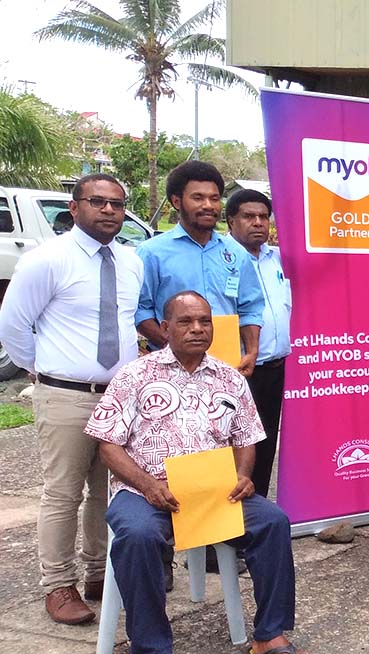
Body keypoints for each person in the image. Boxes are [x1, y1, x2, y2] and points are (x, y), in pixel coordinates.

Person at [85, 291, 306, 654]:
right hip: (145, 491)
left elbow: (246, 436)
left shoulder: (230, 378)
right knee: (138, 536)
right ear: (166, 328)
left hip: (213, 493)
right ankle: (151, 646)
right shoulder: (135, 375)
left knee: (272, 522)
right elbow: (107, 443)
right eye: (186, 322)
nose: (197, 329)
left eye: (205, 321)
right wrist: (148, 484)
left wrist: (243, 475)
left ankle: (269, 634)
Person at [0, 174, 143, 625]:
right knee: (62, 494)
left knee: (108, 490)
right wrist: (43, 371)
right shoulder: (47, 260)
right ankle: (58, 585)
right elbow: (14, 326)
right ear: (74, 206)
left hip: (118, 399)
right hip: (65, 396)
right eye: (98, 202)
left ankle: (100, 575)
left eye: (117, 204)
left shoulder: (131, 261)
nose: (108, 211)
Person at [136, 160, 264, 378]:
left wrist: (251, 352)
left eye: (214, 199)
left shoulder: (236, 253)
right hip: (171, 370)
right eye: (198, 198)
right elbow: (141, 309)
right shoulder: (152, 253)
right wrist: (175, 347)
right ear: (177, 201)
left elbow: (250, 307)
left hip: (227, 368)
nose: (208, 205)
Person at [226, 189, 290, 499]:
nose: (258, 223)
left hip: (275, 369)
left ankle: (257, 514)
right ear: (231, 221)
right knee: (235, 450)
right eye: (249, 217)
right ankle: (227, 530)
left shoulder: (277, 258)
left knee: (264, 448)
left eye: (264, 217)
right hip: (239, 371)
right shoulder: (222, 258)